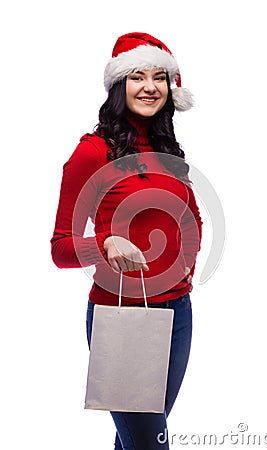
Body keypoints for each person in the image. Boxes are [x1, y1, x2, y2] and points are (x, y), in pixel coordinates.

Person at [51, 32, 203, 450]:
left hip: (178, 312)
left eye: (159, 77)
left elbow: (191, 217)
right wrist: (105, 244)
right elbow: (60, 247)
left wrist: (186, 263)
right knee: (150, 444)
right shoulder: (92, 153)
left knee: (134, 442)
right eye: (137, 76)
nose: (149, 87)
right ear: (119, 85)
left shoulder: (166, 149)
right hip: (120, 317)